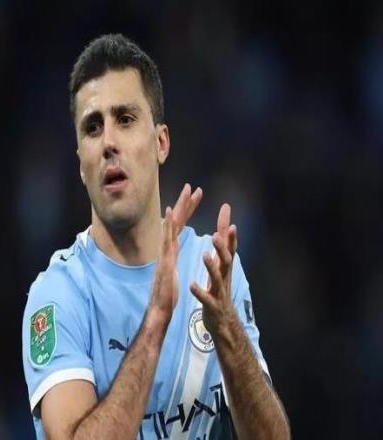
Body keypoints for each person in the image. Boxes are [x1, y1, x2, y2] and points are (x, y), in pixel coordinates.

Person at [22, 34, 290, 440]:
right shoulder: (58, 296)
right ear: (80, 164)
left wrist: (228, 331)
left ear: (161, 142)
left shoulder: (211, 270)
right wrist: (156, 320)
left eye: (125, 119)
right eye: (92, 127)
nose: (108, 142)